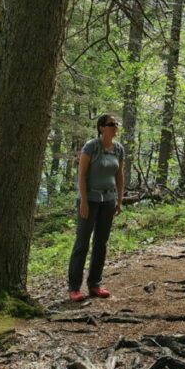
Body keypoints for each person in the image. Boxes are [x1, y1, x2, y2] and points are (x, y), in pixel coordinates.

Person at [67, 114, 125, 301]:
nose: (115, 127)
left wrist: (119, 199)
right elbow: (82, 175)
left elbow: (119, 176)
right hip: (89, 199)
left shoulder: (118, 149)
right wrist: (83, 201)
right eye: (111, 124)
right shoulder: (91, 146)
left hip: (108, 200)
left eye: (116, 124)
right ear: (101, 128)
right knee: (82, 243)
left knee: (101, 243)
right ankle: (74, 287)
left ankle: (95, 284)